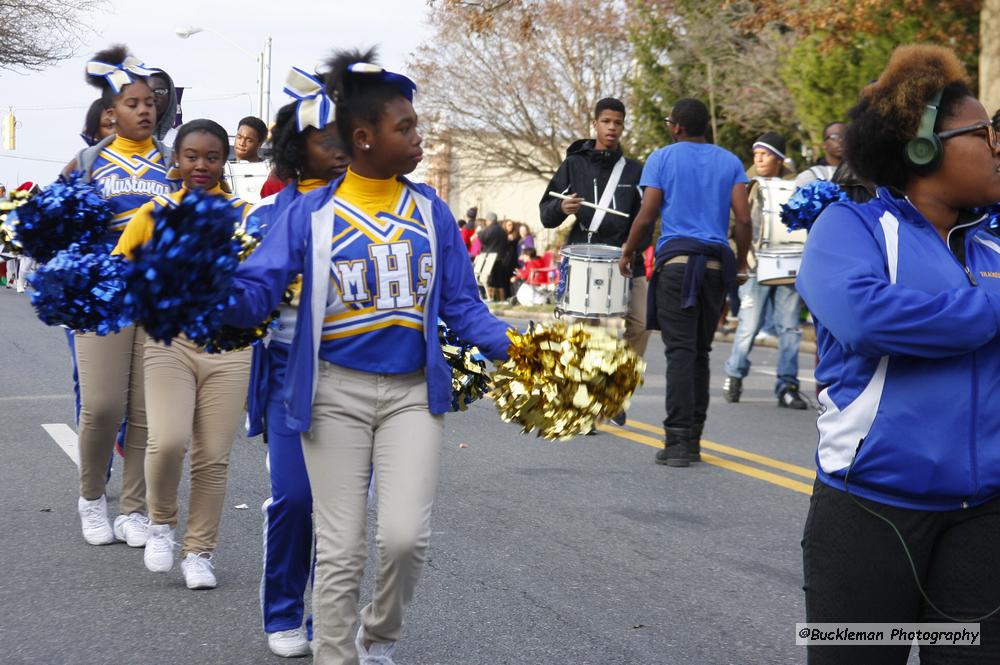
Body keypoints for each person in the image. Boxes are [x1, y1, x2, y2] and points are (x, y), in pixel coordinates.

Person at [218, 48, 512, 665]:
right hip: (332, 394)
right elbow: (258, 288)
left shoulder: (430, 210)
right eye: (404, 127)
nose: (418, 135)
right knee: (342, 547)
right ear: (364, 138)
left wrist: (524, 352)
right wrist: (209, 292)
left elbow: (462, 304)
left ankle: (377, 638)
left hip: (411, 394)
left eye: (415, 124)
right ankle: (335, 656)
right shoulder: (310, 212)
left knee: (405, 538)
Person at [798, 44, 1000, 664]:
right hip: (870, 515)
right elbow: (870, 319)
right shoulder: (849, 228)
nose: (998, 145)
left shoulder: (993, 244)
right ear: (923, 146)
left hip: (983, 519)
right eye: (985, 132)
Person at [113, 119, 253, 589]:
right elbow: (120, 273)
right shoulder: (152, 214)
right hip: (169, 344)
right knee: (168, 441)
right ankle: (161, 523)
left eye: (211, 157)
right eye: (192, 155)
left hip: (231, 348)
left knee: (213, 456)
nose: (201, 164)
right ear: (176, 159)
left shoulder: (245, 215)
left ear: (224, 161)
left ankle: (200, 552)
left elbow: (266, 280)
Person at [243, 66, 350, 658]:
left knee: (342, 513)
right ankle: (284, 611)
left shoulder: (376, 211)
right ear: (296, 146)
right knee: (296, 498)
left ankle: (329, 620)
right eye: (325, 140)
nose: (339, 152)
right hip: (289, 378)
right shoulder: (263, 218)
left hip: (361, 377)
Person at [67, 45, 178, 547]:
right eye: (133, 101)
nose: (145, 108)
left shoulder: (173, 161)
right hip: (103, 294)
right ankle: (92, 496)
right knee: (103, 405)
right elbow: (56, 221)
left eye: (151, 101)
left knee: (145, 407)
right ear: (112, 111)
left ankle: (133, 509)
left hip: (155, 296)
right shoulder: (89, 161)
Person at [618, 98, 751, 467]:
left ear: (676, 126)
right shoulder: (730, 161)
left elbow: (646, 217)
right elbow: (742, 219)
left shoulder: (662, 158)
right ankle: (693, 439)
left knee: (679, 353)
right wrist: (740, 263)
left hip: (677, 265)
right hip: (714, 267)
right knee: (700, 353)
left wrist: (628, 252)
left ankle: (676, 442)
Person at [539, 97, 650, 363]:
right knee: (587, 332)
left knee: (642, 323)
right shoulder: (574, 164)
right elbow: (546, 214)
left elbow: (645, 218)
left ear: (623, 127)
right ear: (595, 124)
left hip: (627, 258)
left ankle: (621, 380)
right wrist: (561, 207)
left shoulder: (635, 171)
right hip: (584, 259)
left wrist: (634, 247)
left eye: (618, 123)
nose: (612, 127)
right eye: (606, 121)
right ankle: (588, 390)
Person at [722, 132, 808, 410]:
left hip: (788, 266)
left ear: (780, 158)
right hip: (755, 266)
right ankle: (734, 375)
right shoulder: (745, 185)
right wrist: (739, 259)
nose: (758, 158)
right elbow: (732, 223)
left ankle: (787, 386)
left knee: (790, 329)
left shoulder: (797, 186)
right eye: (756, 153)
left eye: (765, 154)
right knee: (748, 325)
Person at [794, 121, 845, 187]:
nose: (841, 140)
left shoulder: (859, 175)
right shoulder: (811, 176)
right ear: (824, 144)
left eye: (846, 136)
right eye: (835, 137)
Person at [147, 68, 179, 145]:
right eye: (146, 91)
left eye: (159, 91)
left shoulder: (180, 141)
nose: (153, 97)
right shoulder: (123, 140)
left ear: (170, 97)